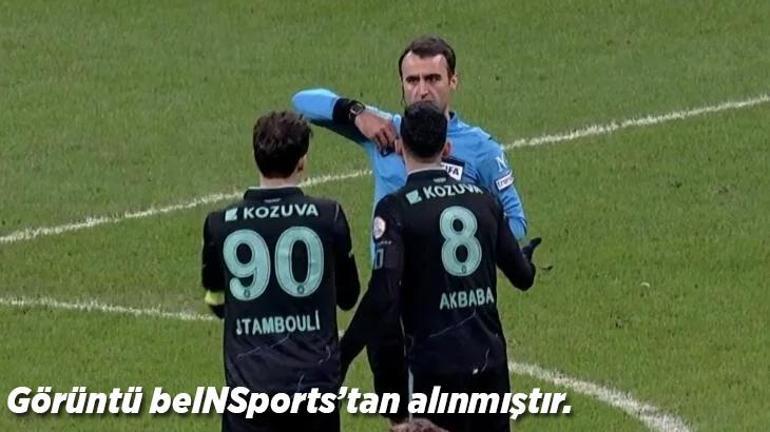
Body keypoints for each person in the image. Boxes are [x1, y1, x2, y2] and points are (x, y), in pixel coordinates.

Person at [339, 101, 539, 432]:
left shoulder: (395, 208)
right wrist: (526, 258)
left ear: (401, 148)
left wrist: (343, 355)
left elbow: (383, 295)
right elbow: (522, 276)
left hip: (434, 369)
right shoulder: (484, 201)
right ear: (446, 149)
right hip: (490, 364)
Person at [200, 111, 361, 432]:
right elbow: (348, 297)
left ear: (255, 157)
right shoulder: (328, 216)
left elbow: (216, 300)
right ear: (302, 162)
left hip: (251, 386)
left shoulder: (220, 224)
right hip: (314, 385)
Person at [292, 35, 527, 241]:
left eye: (433, 79)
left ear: (453, 80)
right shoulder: (383, 129)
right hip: (391, 276)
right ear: (402, 84)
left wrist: (462, 235)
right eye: (413, 80)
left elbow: (517, 223)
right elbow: (302, 102)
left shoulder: (481, 148)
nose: (422, 91)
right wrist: (356, 113)